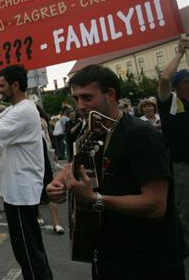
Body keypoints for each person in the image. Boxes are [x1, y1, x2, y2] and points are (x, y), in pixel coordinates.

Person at [47, 64, 186, 279]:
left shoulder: (140, 135)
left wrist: (95, 199)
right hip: (109, 256)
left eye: (87, 98)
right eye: (76, 99)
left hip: (147, 262)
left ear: (110, 94)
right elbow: (76, 164)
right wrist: (58, 182)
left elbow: (156, 204)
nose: (80, 106)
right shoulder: (94, 130)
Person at [0, 64, 53, 280]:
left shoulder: (24, 110)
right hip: (16, 191)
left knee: (28, 251)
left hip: (21, 192)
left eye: (2, 85)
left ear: (16, 85)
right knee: (27, 249)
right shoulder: (16, 108)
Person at [157, 37, 189, 246]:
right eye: (187, 82)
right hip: (182, 166)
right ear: (179, 86)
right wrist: (179, 52)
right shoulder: (171, 104)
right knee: (185, 209)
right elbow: (164, 79)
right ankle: (184, 245)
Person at [36, 105, 64, 235]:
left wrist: (53, 153)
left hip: (44, 153)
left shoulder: (41, 121)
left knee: (49, 185)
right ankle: (38, 215)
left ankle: (56, 222)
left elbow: (46, 137)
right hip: (33, 158)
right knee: (36, 187)